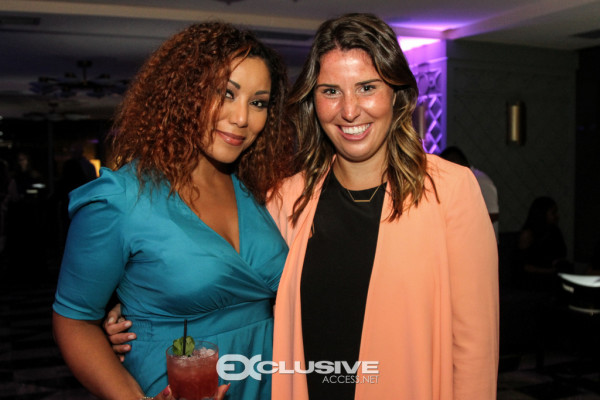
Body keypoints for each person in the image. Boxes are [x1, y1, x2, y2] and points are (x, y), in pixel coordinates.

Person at [108, 13, 499, 399]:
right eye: (331, 91)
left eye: (367, 87)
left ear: (397, 95)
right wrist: (127, 315)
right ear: (313, 101)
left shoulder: (450, 190)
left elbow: (474, 345)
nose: (349, 110)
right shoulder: (285, 199)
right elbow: (217, 282)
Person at [52, 21, 294, 400]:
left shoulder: (255, 188)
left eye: (258, 102)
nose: (242, 118)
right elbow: (74, 320)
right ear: (185, 93)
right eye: (225, 94)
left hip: (269, 380)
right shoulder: (120, 198)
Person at [440, 145, 499, 241]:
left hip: (483, 241)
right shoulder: (460, 180)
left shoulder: (481, 181)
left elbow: (494, 214)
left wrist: (463, 223)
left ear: (455, 162)